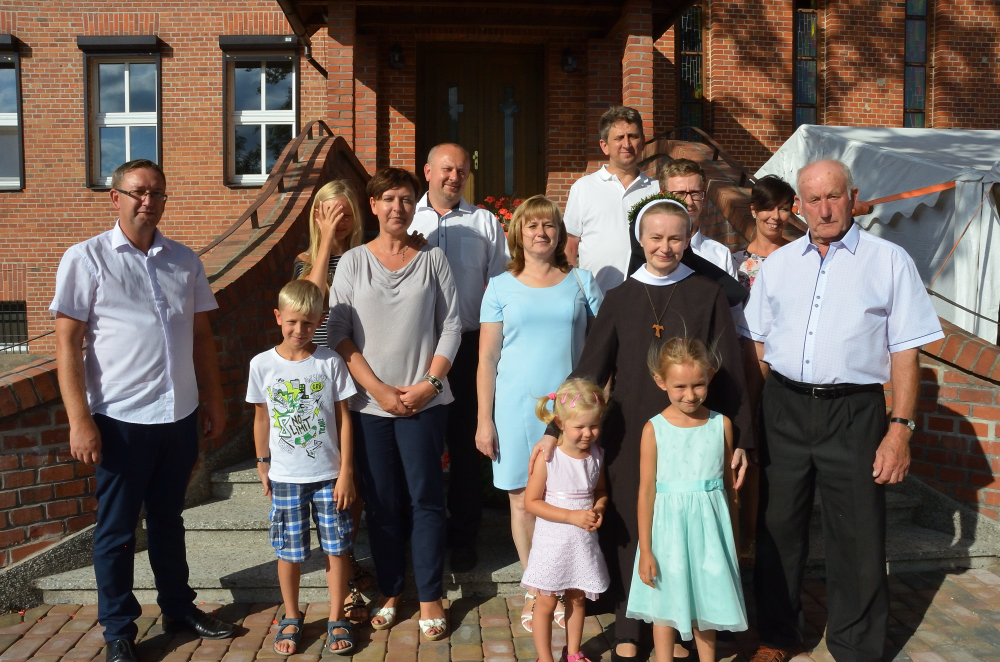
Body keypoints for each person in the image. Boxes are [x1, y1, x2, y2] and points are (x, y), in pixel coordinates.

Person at [532, 198, 753, 662]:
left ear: (687, 239)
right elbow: (591, 369)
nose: (665, 247)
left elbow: (730, 370)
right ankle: (630, 623)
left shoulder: (707, 293)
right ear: (641, 239)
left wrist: (741, 440)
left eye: (675, 238)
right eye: (655, 237)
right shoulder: (620, 297)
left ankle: (688, 624)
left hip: (694, 430)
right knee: (635, 523)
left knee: (689, 531)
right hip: (632, 429)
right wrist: (555, 428)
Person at [740, 160, 944, 662]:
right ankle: (778, 635)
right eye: (813, 200)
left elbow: (906, 350)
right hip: (783, 407)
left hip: (854, 412)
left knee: (857, 534)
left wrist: (899, 429)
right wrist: (749, 425)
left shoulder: (889, 261)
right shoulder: (779, 265)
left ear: (852, 197)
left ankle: (856, 647)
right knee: (777, 527)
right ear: (799, 206)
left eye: (833, 197)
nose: (825, 209)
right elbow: (758, 346)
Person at [50, 159, 236, 662]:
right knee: (116, 531)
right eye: (138, 192)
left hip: (178, 415)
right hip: (119, 420)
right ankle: (118, 630)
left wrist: (214, 400)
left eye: (157, 193)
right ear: (116, 197)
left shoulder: (184, 260)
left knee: (169, 520)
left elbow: (201, 336)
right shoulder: (86, 258)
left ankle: (178, 608)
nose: (148, 201)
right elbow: (66, 344)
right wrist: (79, 420)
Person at [327, 167, 461, 641]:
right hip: (369, 406)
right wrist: (379, 389)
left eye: (405, 199)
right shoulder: (352, 262)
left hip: (425, 403)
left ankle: (430, 596)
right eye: (387, 199)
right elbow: (338, 332)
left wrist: (429, 384)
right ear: (373, 206)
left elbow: (451, 325)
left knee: (426, 500)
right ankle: (390, 590)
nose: (397, 208)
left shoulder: (433, 259)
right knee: (382, 503)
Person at [476, 195, 602, 631]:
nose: (541, 233)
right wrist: (484, 419)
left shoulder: (582, 282)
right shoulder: (499, 287)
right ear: (518, 233)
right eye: (531, 225)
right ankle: (537, 588)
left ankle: (570, 584)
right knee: (522, 500)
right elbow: (487, 359)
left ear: (560, 233)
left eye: (549, 225)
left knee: (570, 497)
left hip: (570, 413)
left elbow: (604, 348)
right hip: (514, 410)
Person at [409, 142, 509, 572]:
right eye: (447, 169)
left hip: (468, 348)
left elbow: (502, 285)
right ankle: (425, 535)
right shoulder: (406, 218)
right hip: (417, 348)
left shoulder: (484, 222)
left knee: (467, 448)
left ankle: (465, 535)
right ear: (428, 171)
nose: (454, 177)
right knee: (421, 448)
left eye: (462, 171)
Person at [247, 280, 358, 656]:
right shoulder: (262, 364)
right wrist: (262, 462)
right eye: (292, 321)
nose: (299, 330)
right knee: (289, 551)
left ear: (320, 322)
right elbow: (262, 418)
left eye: (308, 323)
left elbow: (344, 419)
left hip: (329, 475)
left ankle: (336, 616)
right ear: (278, 317)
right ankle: (292, 615)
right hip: (286, 477)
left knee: (336, 547)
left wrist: (346, 472)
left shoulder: (330, 362)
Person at [626, 337, 747, 662]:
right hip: (668, 535)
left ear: (710, 376)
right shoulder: (654, 429)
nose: (690, 395)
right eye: (680, 386)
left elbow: (729, 488)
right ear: (661, 381)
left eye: (698, 385)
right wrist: (646, 549)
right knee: (664, 606)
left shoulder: (721, 424)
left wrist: (734, 540)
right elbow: (646, 491)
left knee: (708, 603)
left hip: (711, 535)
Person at [522, 379, 610, 662]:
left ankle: (573, 653)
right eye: (580, 426)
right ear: (559, 423)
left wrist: (599, 508)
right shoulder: (549, 458)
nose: (588, 433)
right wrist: (571, 515)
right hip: (553, 543)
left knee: (577, 598)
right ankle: (545, 657)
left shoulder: (597, 455)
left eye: (594, 425)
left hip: (582, 542)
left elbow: (600, 490)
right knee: (546, 602)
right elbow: (531, 502)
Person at [564, 105, 659, 294]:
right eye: (619, 138)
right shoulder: (584, 188)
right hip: (596, 297)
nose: (627, 144)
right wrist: (572, 290)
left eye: (633, 136)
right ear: (604, 146)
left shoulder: (656, 190)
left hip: (645, 296)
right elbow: (570, 244)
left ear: (642, 142)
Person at [293, 180, 365, 349]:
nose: (338, 222)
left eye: (345, 215)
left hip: (356, 350)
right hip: (319, 351)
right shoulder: (305, 260)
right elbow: (311, 300)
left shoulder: (364, 256)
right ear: (317, 215)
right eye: (330, 215)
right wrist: (326, 239)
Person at [659, 159, 740, 280]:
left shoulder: (721, 255)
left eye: (695, 193)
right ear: (663, 197)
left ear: (704, 198)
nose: (689, 202)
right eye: (680, 194)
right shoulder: (651, 253)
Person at [733, 175, 795, 290]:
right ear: (753, 210)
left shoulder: (800, 256)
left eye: (783, 209)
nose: (776, 216)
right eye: (769, 207)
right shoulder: (736, 263)